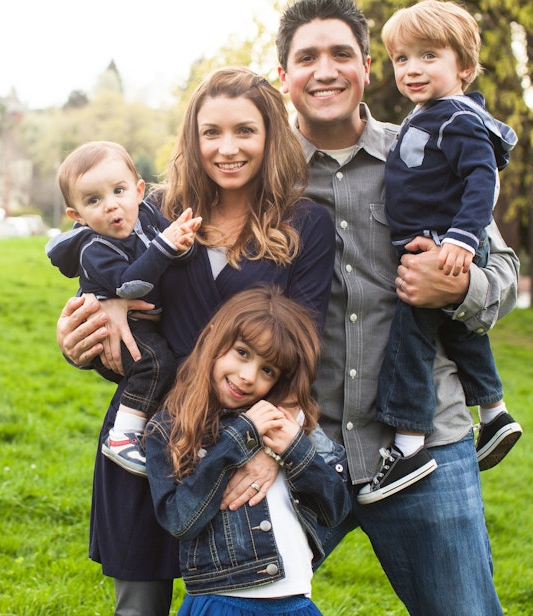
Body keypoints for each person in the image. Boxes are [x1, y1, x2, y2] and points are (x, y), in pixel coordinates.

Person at [263, 0, 519, 615]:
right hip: (297, 444)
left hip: (427, 443)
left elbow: (505, 271)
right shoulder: (261, 173)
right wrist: (101, 309)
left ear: (368, 68)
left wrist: (459, 286)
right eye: (308, 57)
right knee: (238, 598)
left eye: (342, 54)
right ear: (284, 76)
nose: (325, 70)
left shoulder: (428, 151)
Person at [55, 66, 335, 615]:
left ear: (271, 135)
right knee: (139, 605)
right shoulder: (151, 210)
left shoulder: (305, 224)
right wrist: (79, 340)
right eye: (212, 132)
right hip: (148, 441)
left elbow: (303, 349)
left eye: (245, 131)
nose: (227, 148)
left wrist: (271, 451)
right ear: (193, 137)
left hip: (239, 445)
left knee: (239, 604)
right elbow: (111, 305)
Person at [356, 0, 523, 504]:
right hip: (434, 241)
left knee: (412, 343)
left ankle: (407, 446)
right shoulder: (427, 115)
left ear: (464, 67)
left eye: (429, 56)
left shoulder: (458, 119)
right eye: (402, 58)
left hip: (443, 246)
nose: (412, 68)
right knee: (458, 329)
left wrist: (461, 240)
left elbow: (481, 180)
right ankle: (493, 413)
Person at [145, 285, 349, 615]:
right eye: (242, 353)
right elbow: (180, 519)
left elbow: (335, 509)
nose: (247, 376)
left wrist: (296, 450)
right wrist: (240, 439)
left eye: (268, 370)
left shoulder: (285, 425)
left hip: (296, 603)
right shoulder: (169, 429)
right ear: (214, 338)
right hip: (224, 601)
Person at [46, 141, 202, 476]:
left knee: (161, 364)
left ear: (139, 190)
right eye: (93, 200)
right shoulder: (96, 248)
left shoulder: (146, 216)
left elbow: (172, 253)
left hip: (142, 321)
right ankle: (124, 434)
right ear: (77, 215)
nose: (111, 206)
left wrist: (182, 242)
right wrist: (165, 246)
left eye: (119, 191)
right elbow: (131, 286)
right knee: (156, 364)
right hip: (119, 331)